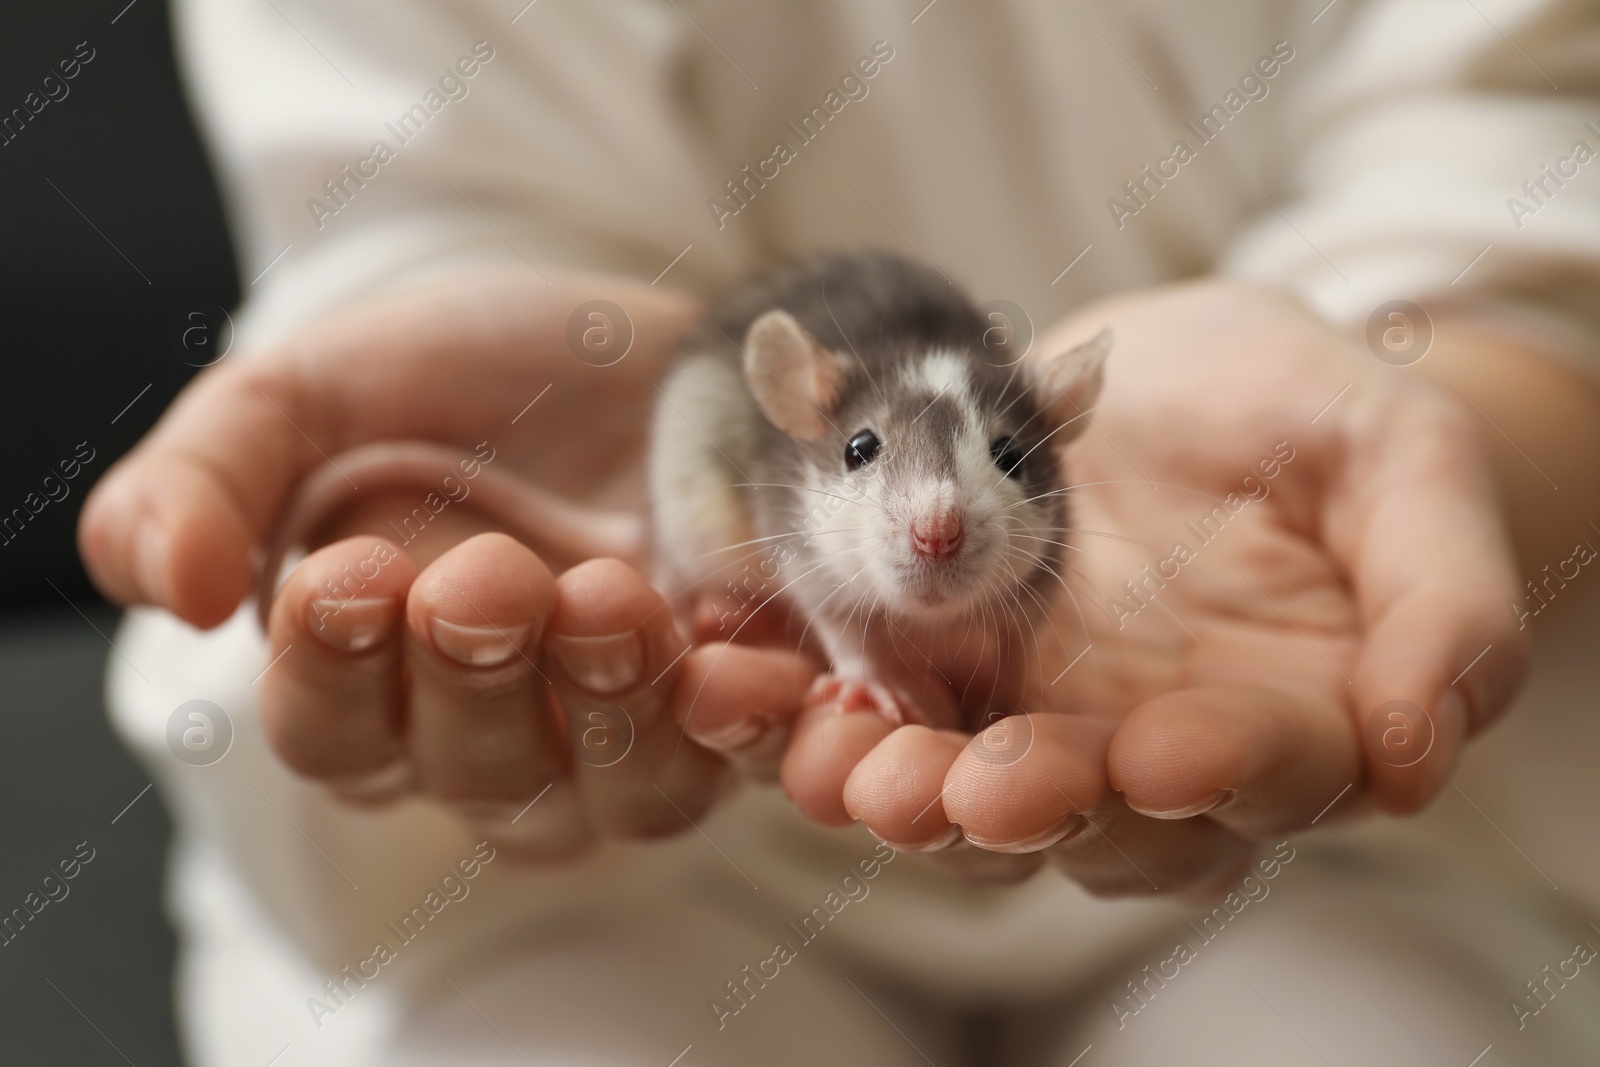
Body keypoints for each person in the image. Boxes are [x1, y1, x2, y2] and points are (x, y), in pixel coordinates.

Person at [80, 0, 1600, 1062]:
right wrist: (451, 313)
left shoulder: (1028, 521)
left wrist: (1454, 385)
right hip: (609, 894)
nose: (938, 529)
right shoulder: (787, 481)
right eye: (876, 468)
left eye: (999, 475)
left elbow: (1521, 156)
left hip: (1367, 875)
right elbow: (416, 162)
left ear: (1051, 444)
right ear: (813, 425)